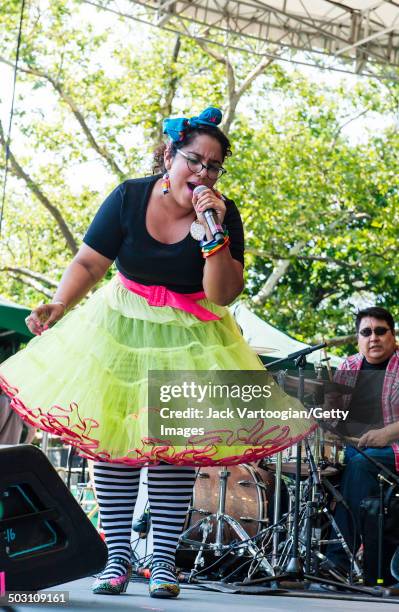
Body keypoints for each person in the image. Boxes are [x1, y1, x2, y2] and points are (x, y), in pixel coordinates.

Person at [0, 106, 313, 598]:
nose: (203, 173)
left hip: (190, 334)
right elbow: (89, 260)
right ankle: (116, 556)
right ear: (169, 155)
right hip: (121, 326)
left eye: (214, 166)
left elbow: (223, 294)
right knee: (115, 445)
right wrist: (60, 303)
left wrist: (214, 235)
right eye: (195, 160)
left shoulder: (223, 213)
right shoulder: (128, 196)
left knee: (174, 450)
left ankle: (162, 560)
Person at [326, 306, 399, 576]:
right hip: (355, 449)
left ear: (393, 336)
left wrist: (386, 434)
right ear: (358, 338)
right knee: (310, 472)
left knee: (358, 466)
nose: (374, 338)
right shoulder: (348, 366)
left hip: (393, 450)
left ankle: (338, 561)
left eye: (381, 331)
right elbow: (336, 418)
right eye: (366, 332)